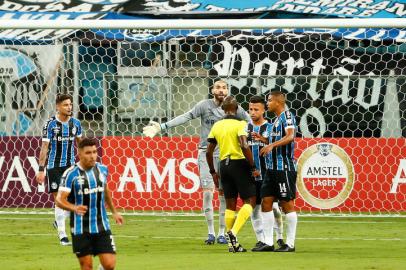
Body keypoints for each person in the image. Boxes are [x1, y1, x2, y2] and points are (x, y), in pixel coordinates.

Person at [143, 80, 250, 245]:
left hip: (226, 154)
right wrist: (162, 127)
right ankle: (210, 232)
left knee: (224, 194)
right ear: (212, 90)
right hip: (205, 153)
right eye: (218, 87)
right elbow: (186, 116)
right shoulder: (204, 105)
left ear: (228, 90)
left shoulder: (234, 107)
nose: (221, 90)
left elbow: (251, 121)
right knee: (208, 192)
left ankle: (222, 232)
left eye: (224, 88)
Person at [56, 138, 124, 270]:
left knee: (109, 264)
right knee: (87, 266)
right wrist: (73, 207)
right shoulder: (71, 174)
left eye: (94, 152)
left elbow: (105, 190)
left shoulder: (102, 169)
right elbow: (59, 200)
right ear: (80, 154)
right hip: (80, 228)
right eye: (88, 153)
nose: (92, 156)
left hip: (102, 225)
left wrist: (114, 212)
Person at [206, 96, 259, 253]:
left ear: (223, 109)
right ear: (237, 109)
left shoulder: (217, 125)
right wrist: (253, 166)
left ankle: (232, 245)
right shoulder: (241, 124)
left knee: (230, 205)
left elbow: (208, 152)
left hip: (223, 166)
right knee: (250, 201)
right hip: (239, 164)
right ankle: (233, 233)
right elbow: (244, 145)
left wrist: (213, 172)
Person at [35, 93, 82, 245]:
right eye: (65, 105)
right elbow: (44, 147)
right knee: (59, 200)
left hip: (70, 166)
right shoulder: (51, 125)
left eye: (70, 104)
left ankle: (58, 220)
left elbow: (81, 145)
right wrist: (41, 169)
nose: (69, 107)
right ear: (58, 106)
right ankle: (62, 236)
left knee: (74, 199)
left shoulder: (76, 124)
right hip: (54, 166)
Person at [259, 90, 298, 252]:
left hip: (284, 168)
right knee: (266, 202)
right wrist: (264, 140)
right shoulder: (275, 121)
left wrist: (271, 145)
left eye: (269, 100)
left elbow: (290, 136)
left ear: (278, 102)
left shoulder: (287, 116)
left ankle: (290, 244)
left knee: (286, 203)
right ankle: (268, 242)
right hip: (271, 169)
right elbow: (276, 139)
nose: (267, 103)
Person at [246, 96, 285, 252]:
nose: (253, 112)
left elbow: (276, 147)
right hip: (251, 175)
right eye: (250, 109)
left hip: (268, 174)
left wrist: (263, 140)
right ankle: (261, 239)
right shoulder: (245, 128)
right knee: (254, 209)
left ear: (263, 110)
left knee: (274, 207)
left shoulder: (270, 127)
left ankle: (280, 236)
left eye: (256, 109)